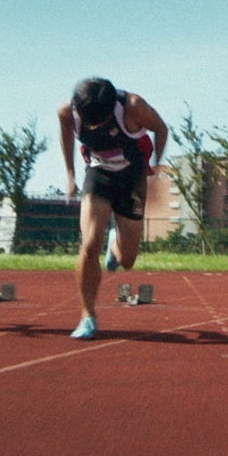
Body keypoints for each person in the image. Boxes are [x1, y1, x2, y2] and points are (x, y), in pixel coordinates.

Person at [58, 78, 167, 339]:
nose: (94, 127)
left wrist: (156, 168)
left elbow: (161, 129)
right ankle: (87, 315)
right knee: (88, 244)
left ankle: (115, 245)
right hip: (98, 176)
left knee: (128, 261)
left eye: (100, 122)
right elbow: (66, 136)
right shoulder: (66, 112)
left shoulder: (133, 106)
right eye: (89, 122)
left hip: (132, 177)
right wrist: (71, 174)